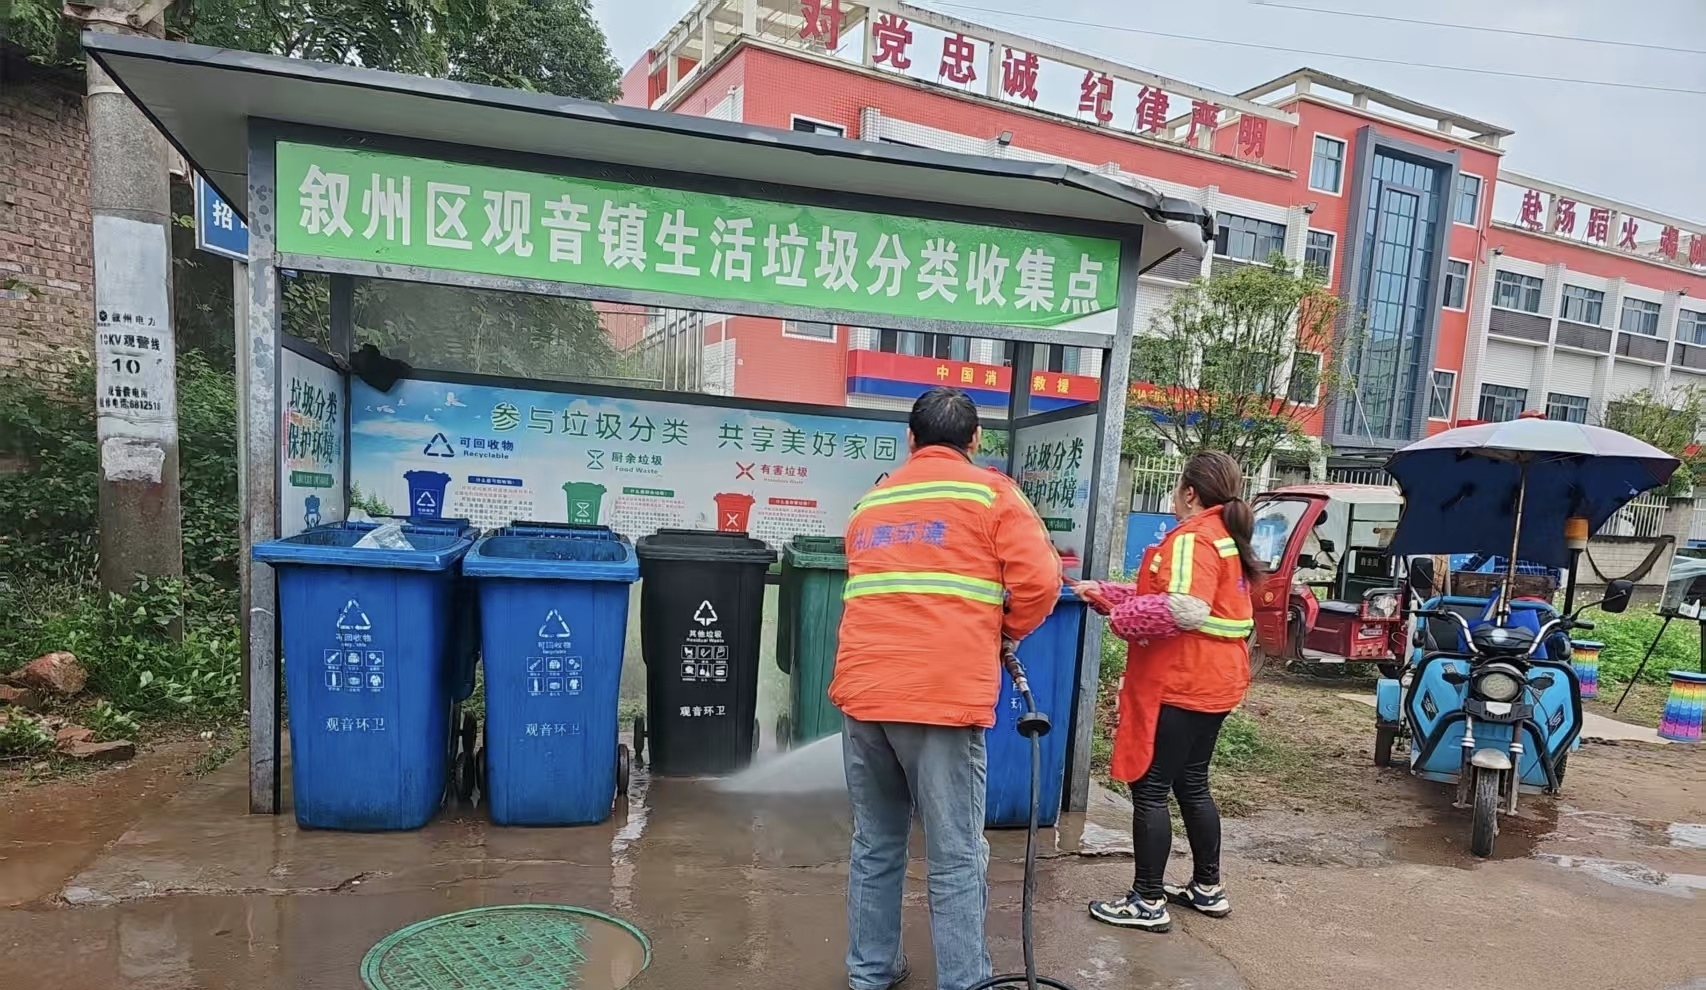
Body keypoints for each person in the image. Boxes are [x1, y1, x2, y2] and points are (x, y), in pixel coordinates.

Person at [830, 386, 1061, 990]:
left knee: (876, 843)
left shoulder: (873, 501)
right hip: (942, 697)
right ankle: (964, 981)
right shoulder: (990, 494)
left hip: (865, 693)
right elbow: (1041, 582)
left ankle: (870, 972)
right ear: (975, 439)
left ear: (910, 439)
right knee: (955, 851)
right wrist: (1006, 631)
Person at [1071, 451, 1261, 933]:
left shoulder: (1193, 538)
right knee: (1192, 782)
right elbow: (1169, 597)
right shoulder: (1225, 537)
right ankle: (1207, 887)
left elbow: (1186, 608)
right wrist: (1106, 593)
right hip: (1217, 681)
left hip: (1182, 682)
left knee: (1151, 788)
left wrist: (1121, 617)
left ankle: (1147, 900)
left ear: (1189, 493)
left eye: (1177, 488)